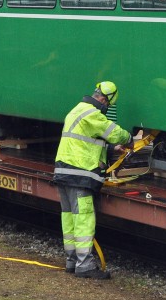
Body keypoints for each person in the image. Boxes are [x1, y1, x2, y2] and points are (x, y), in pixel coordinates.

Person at [52, 81, 131, 280]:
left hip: (64, 172)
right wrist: (130, 139)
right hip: (80, 174)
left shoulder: (77, 110)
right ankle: (85, 265)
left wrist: (111, 149)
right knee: (83, 219)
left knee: (68, 217)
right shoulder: (93, 114)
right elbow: (114, 132)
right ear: (105, 100)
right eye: (109, 105)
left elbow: (86, 140)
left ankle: (72, 261)